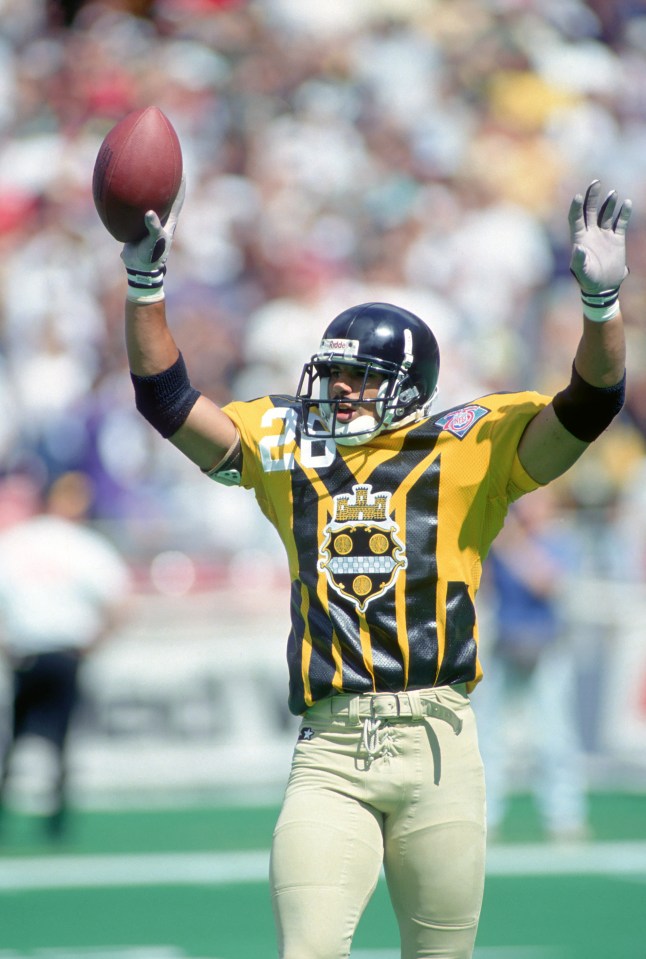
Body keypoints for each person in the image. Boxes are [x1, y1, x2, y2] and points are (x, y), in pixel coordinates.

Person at [116, 177, 630, 958]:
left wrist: (600, 307)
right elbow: (167, 400)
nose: (341, 391)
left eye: (361, 378)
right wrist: (145, 284)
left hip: (438, 741)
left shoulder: (468, 443)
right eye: (335, 375)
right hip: (331, 749)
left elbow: (592, 402)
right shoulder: (289, 443)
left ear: (409, 389)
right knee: (309, 949)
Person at [0, 471, 131, 838]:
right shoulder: (84, 545)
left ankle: (29, 813)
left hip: (29, 654)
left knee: (21, 739)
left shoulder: (19, 541)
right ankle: (54, 819)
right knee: (55, 741)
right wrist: (95, 641)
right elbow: (119, 603)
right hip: (59, 653)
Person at [475, 485, 590, 843]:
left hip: (546, 647)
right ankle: (486, 816)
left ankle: (565, 816)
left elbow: (545, 581)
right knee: (488, 736)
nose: (528, 509)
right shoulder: (503, 540)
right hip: (506, 645)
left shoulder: (561, 541)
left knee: (554, 736)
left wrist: (509, 540)